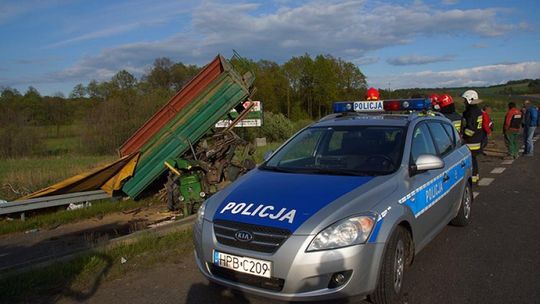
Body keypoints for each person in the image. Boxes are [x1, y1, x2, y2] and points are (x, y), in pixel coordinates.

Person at [461, 90, 483, 183]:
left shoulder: (471, 112)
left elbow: (470, 130)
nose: (464, 102)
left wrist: (462, 135)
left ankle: (473, 179)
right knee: (474, 159)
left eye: (465, 100)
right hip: (477, 140)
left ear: (470, 99)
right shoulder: (478, 111)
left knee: (471, 161)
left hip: (471, 141)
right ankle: (476, 177)